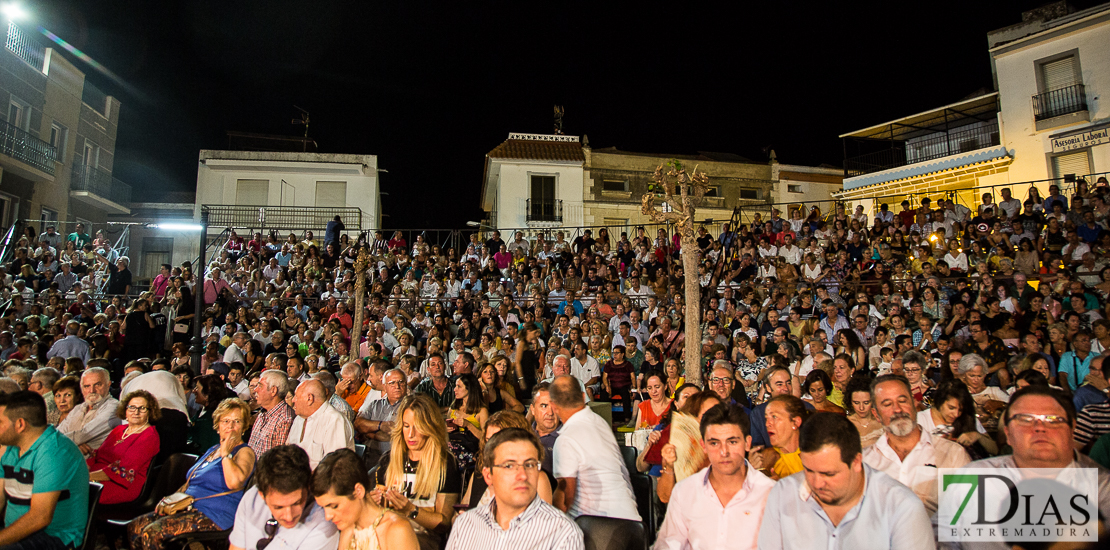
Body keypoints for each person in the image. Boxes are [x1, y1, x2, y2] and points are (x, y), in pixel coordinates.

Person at [943, 386, 1110, 548]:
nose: (1039, 428)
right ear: (1007, 433)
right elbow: (942, 541)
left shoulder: (1103, 489)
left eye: (1052, 419)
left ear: (1072, 428)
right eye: (1025, 419)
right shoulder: (972, 478)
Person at [757, 413, 934, 550]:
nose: (817, 483)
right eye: (809, 470)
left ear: (856, 462)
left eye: (829, 474)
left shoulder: (902, 507)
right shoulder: (783, 493)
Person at [129, 398, 257, 550]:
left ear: (244, 426)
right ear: (218, 426)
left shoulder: (244, 452)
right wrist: (169, 501)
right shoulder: (213, 449)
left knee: (152, 533)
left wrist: (226, 455)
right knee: (135, 527)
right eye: (226, 421)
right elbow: (190, 482)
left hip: (215, 514)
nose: (231, 427)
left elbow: (235, 482)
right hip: (188, 506)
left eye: (237, 421)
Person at [654, 403, 775, 550]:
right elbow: (668, 546)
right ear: (703, 446)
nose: (724, 452)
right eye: (714, 443)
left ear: (747, 443)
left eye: (732, 442)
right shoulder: (685, 491)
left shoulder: (770, 493)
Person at [447, 428, 583, 550]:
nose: (523, 475)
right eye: (509, 466)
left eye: (529, 465)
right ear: (489, 476)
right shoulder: (466, 525)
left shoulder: (562, 533)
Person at [862, 375, 969, 523]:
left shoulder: (953, 455)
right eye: (887, 404)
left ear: (914, 403)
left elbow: (970, 517)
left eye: (902, 401)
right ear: (876, 414)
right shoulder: (864, 462)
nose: (897, 410)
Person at [0, 391, 89, 550]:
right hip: (18, 533)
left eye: (0, 422)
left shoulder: (54, 452)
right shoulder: (11, 449)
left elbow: (39, 518)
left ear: (20, 424)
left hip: (54, 538)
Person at [371, 394, 460, 550]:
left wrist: (410, 510)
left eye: (418, 426)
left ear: (429, 427)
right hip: (389, 532)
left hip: (424, 538)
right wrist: (373, 503)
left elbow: (443, 523)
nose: (411, 434)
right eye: (406, 426)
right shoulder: (389, 460)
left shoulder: (445, 463)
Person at [549, 375, 640, 521]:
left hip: (601, 529)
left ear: (553, 406)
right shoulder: (600, 422)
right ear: (584, 396)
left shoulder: (566, 439)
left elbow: (564, 501)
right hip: (632, 523)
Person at [229, 445, 340, 550]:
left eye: (297, 503)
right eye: (278, 507)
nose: (289, 516)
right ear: (262, 495)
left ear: (308, 487)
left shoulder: (323, 524)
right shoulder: (251, 499)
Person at [87, 390, 162, 504]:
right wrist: (82, 470)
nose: (136, 412)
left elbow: (123, 469)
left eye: (142, 408)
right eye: (132, 407)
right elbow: (98, 455)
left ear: (150, 412)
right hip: (96, 476)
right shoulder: (119, 430)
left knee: (74, 492)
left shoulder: (149, 436)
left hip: (122, 484)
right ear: (126, 410)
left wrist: (86, 477)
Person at [287, 379, 355, 469]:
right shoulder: (299, 419)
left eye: (296, 396)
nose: (293, 400)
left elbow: (334, 467)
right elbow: (287, 452)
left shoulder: (334, 420)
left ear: (309, 398)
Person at [57, 367, 120, 457]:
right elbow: (58, 433)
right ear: (82, 388)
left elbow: (84, 434)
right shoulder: (78, 408)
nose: (92, 390)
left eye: (98, 385)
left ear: (108, 384)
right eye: (87, 386)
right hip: (68, 458)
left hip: (95, 464)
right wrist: (74, 445)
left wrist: (65, 444)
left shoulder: (114, 407)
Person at [355, 368, 408, 467]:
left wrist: (369, 433)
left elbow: (399, 434)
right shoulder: (375, 404)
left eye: (401, 382)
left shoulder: (412, 405)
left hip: (398, 460)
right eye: (392, 383)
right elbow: (358, 424)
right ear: (385, 386)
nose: (397, 386)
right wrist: (380, 426)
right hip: (372, 459)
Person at [748, 395, 808, 480]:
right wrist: (754, 473)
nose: (767, 424)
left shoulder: (815, 455)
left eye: (774, 417)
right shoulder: (766, 458)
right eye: (766, 418)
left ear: (795, 422)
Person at [248, 369, 296, 457]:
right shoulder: (262, 414)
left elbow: (277, 462)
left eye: (260, 386)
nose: (255, 390)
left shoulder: (284, 420)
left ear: (273, 391)